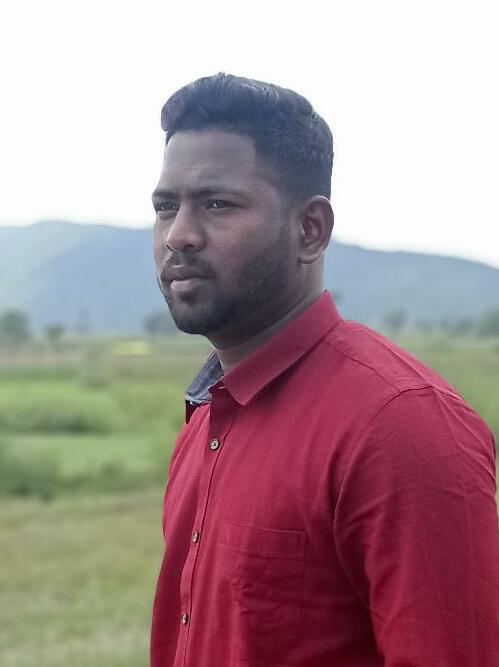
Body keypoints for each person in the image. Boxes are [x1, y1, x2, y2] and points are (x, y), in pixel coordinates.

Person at [150, 73, 498, 667]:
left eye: (217, 204)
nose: (179, 235)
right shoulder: (207, 417)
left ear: (310, 229)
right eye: (165, 207)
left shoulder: (399, 426)